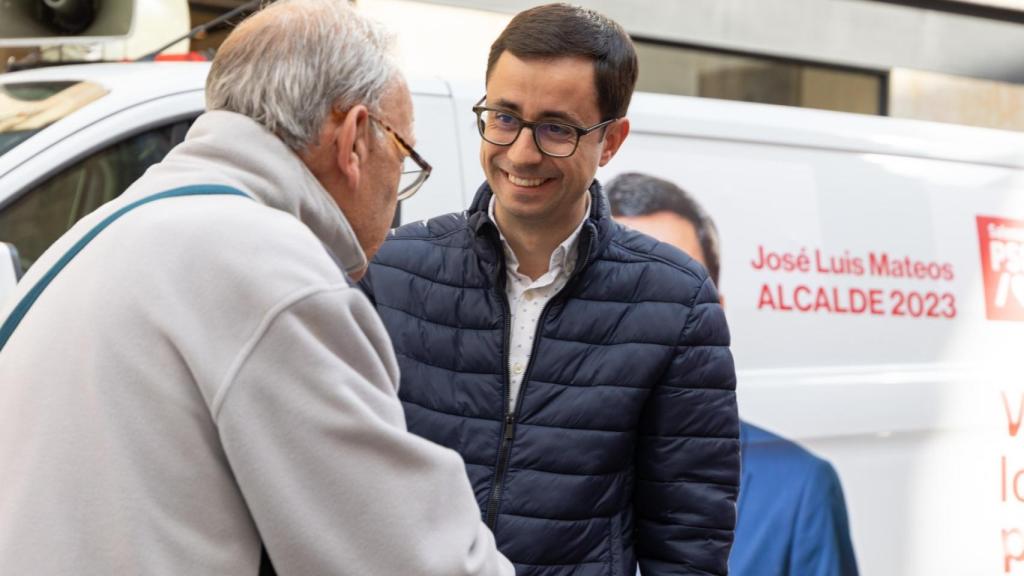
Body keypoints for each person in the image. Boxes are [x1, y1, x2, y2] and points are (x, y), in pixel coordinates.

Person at [0, 1, 513, 575]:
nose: (399, 187)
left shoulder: (105, 228)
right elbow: (410, 559)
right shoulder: (269, 268)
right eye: (405, 155)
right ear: (353, 139)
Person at [359, 4, 740, 575]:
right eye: (505, 117)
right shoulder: (390, 271)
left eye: (557, 128)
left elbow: (688, 538)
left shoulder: (677, 302)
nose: (521, 153)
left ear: (611, 141)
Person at [606, 171, 860, 576]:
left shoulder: (795, 489)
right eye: (618, 289)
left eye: (676, 290)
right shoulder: (523, 472)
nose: (644, 319)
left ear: (715, 315)